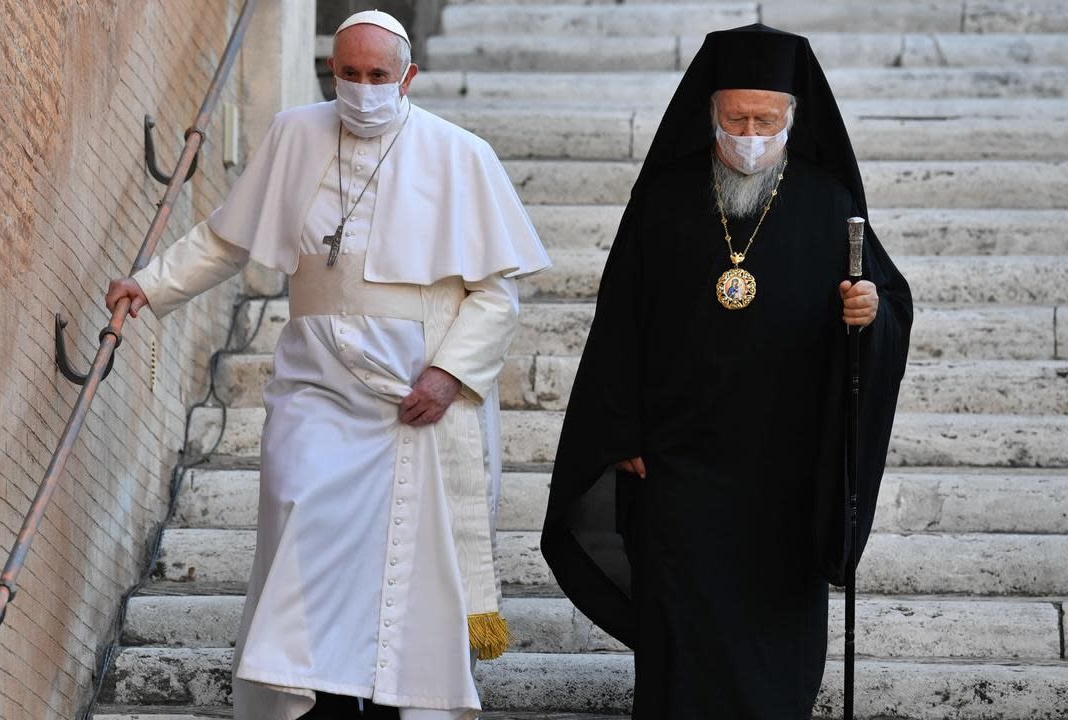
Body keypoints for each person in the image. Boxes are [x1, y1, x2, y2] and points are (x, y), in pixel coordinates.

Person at [106, 11, 548, 720]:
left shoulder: (459, 153)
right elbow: (227, 239)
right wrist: (150, 285)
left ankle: (393, 701)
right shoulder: (295, 133)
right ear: (330, 70)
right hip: (316, 386)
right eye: (350, 74)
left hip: (412, 396)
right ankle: (308, 700)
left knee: (403, 572)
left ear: (409, 78)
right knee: (299, 515)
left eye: (380, 77)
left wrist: (449, 375)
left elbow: (497, 294)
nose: (365, 90)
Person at [540, 24, 912, 719]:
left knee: (774, 657)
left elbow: (886, 302)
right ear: (710, 114)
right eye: (735, 118)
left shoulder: (829, 202)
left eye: (765, 121)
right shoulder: (664, 199)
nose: (748, 135)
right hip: (679, 471)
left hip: (786, 477)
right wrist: (620, 430)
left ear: (791, 119)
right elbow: (621, 317)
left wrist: (870, 315)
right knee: (680, 646)